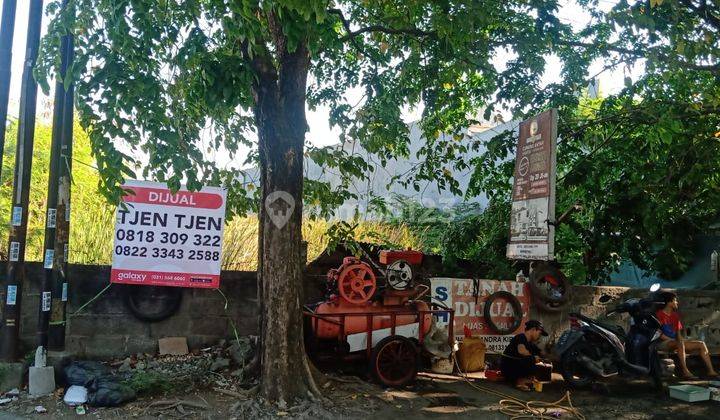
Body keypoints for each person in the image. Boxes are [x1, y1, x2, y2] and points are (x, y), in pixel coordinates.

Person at [656, 291, 718, 379]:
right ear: (669, 302)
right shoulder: (659, 314)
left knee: (701, 344)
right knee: (679, 343)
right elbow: (658, 333)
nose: (677, 302)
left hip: (675, 342)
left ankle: (711, 371)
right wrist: (675, 341)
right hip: (662, 343)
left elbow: (678, 334)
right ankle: (685, 371)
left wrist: (682, 341)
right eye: (675, 300)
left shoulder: (675, 316)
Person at [501, 320, 551, 391]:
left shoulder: (530, 343)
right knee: (531, 359)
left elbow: (541, 353)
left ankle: (526, 379)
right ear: (533, 329)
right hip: (508, 368)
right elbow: (521, 351)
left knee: (536, 360)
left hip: (515, 369)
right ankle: (520, 382)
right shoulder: (520, 337)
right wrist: (534, 357)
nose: (539, 336)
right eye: (539, 333)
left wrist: (549, 355)